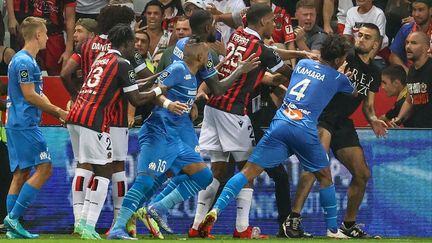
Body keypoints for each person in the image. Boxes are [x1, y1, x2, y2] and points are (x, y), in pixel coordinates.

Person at [198, 33, 355, 239]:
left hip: (280, 124)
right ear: (337, 60)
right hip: (303, 128)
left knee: (247, 172)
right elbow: (351, 92)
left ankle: (214, 211)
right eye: (342, 59)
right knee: (325, 177)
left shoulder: (302, 64)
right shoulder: (337, 77)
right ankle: (333, 230)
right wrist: (343, 75)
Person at [107, 36, 260, 240]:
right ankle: (117, 228)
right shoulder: (178, 68)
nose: (210, 57)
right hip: (158, 131)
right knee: (145, 182)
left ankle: (158, 209)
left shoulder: (194, 73)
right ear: (199, 56)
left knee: (203, 176)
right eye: (207, 53)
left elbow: (214, 88)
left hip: (177, 136)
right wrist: (167, 104)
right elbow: (156, 90)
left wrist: (193, 102)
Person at [193, 4, 293, 239]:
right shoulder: (262, 50)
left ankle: (196, 226)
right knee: (248, 171)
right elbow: (289, 72)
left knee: (217, 171)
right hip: (233, 112)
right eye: (271, 21)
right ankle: (242, 229)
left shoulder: (238, 34)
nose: (274, 25)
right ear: (261, 23)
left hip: (213, 108)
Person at [284, 23, 386, 239]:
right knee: (315, 166)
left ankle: (349, 224)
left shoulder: (374, 73)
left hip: (343, 123)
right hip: (323, 116)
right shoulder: (344, 55)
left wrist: (374, 119)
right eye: (359, 35)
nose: (361, 39)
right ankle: (293, 219)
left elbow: (368, 106)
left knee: (362, 173)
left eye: (367, 37)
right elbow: (321, 68)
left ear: (375, 44)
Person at [66, 23, 168, 240]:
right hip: (93, 120)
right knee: (104, 172)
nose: (136, 48)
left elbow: (128, 84)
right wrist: (160, 89)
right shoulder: (123, 63)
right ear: (127, 43)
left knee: (90, 168)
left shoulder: (102, 59)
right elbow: (136, 99)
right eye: (133, 44)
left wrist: (152, 79)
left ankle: (82, 222)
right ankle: (88, 225)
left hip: (75, 117)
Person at [3, 16, 68, 239]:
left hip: (18, 123)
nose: (48, 38)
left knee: (21, 173)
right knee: (45, 168)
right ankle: (13, 218)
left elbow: (37, 93)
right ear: (38, 35)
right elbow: (30, 96)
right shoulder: (24, 62)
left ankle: (11, 225)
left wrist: (54, 108)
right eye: (46, 34)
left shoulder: (25, 61)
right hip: (24, 124)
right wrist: (59, 112)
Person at [6, 0, 76, 75]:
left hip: (54, 33)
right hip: (27, 31)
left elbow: (70, 19)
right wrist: (11, 17)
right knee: (24, 70)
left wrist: (69, 49)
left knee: (56, 73)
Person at [392, 31, 432, 128]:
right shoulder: (412, 70)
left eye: (414, 43)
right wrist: (399, 119)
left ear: (427, 47)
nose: (408, 46)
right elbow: (409, 101)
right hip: (418, 129)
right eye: (407, 42)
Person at [389, 0, 432, 72]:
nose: (416, 14)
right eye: (414, 10)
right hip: (411, 72)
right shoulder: (406, 29)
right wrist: (408, 72)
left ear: (431, 11)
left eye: (420, 10)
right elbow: (393, 57)